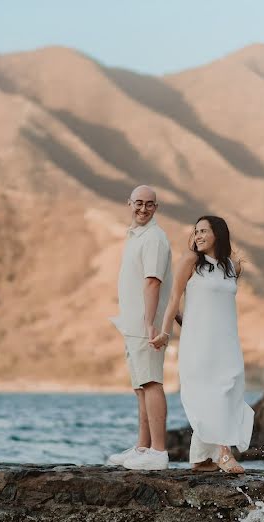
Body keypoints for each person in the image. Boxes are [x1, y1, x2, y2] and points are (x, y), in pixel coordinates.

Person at [150, 215, 252, 474]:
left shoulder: (232, 267)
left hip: (227, 341)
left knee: (231, 388)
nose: (198, 236)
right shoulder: (191, 261)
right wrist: (165, 332)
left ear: (218, 233)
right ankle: (223, 453)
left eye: (204, 231)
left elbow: (215, 305)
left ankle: (199, 459)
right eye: (196, 231)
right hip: (200, 342)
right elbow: (174, 298)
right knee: (212, 393)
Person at [106, 185, 173, 470]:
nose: (143, 209)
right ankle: (143, 447)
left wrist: (149, 323)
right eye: (138, 203)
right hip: (132, 323)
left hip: (145, 325)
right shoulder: (135, 236)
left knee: (151, 382)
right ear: (129, 203)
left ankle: (159, 452)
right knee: (140, 387)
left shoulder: (154, 238)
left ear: (156, 207)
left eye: (149, 204)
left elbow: (153, 281)